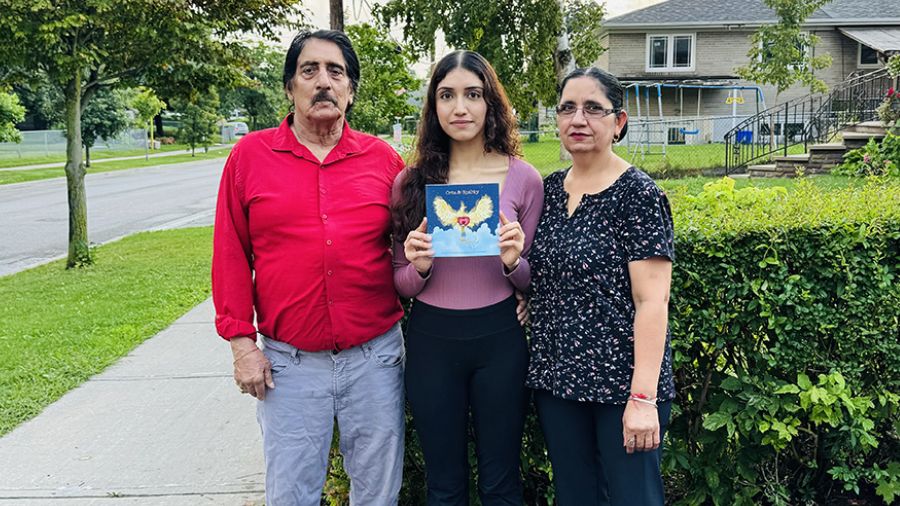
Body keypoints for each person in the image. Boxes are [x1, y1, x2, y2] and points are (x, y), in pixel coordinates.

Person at [211, 30, 406, 506]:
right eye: (310, 70)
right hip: (288, 366)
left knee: (378, 494)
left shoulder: (383, 161)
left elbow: (412, 251)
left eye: (335, 72)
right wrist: (242, 344)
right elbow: (230, 253)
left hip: (375, 360)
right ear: (289, 87)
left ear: (351, 90)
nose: (323, 82)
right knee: (291, 494)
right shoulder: (249, 157)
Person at [391, 50, 544, 506]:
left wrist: (514, 263)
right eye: (447, 95)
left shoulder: (524, 179)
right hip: (432, 340)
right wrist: (418, 269)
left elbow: (533, 280)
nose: (460, 108)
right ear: (434, 108)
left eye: (473, 95)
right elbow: (399, 281)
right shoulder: (410, 182)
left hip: (500, 339)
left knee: (501, 482)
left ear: (490, 103)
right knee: (444, 486)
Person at [526, 67, 676, 506]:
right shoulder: (548, 192)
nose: (578, 119)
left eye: (593, 108)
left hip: (622, 387)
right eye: (568, 108)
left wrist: (642, 398)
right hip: (558, 384)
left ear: (619, 122)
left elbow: (653, 301)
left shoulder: (639, 195)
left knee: (634, 499)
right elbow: (544, 272)